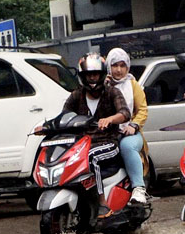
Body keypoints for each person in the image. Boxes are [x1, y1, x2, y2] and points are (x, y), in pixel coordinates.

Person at [37, 53, 129, 202]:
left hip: (107, 142)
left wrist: (110, 119)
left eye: (95, 74)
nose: (92, 78)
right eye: (89, 75)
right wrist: (45, 127)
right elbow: (64, 116)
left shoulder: (112, 92)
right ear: (83, 76)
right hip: (81, 144)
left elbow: (125, 113)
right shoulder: (76, 95)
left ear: (102, 74)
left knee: (91, 158)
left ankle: (101, 200)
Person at [105, 47, 150, 204]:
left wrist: (134, 125)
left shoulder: (133, 85)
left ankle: (138, 188)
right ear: (108, 66)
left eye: (122, 65)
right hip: (106, 133)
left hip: (129, 133)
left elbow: (143, 110)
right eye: (115, 65)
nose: (118, 70)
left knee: (127, 146)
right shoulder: (103, 85)